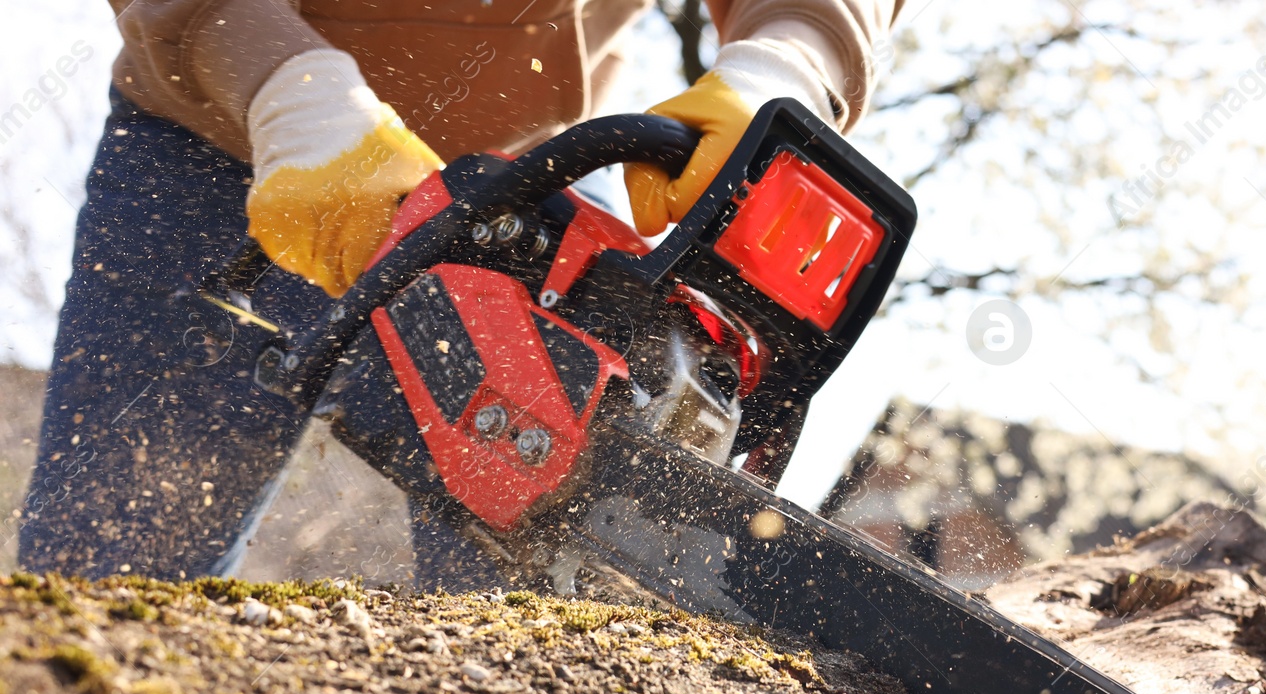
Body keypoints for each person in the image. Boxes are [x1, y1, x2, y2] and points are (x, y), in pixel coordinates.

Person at [19, 0, 895, 589]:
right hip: (220, 143)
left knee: (539, 626)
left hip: (509, 196)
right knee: (109, 572)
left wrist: (793, 51)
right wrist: (280, 83)